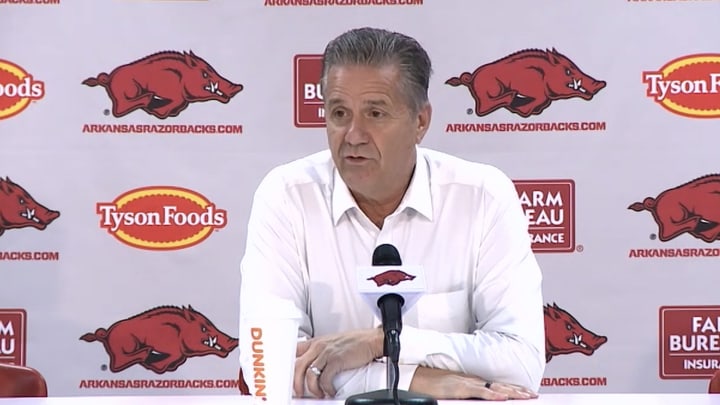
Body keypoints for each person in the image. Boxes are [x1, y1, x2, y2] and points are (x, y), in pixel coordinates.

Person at [239, 27, 545, 401]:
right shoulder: (287, 197)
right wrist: (418, 380)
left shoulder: (482, 197)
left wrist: (380, 344)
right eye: (338, 113)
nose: (353, 135)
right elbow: (268, 369)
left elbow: (522, 362)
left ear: (420, 122)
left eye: (375, 113)